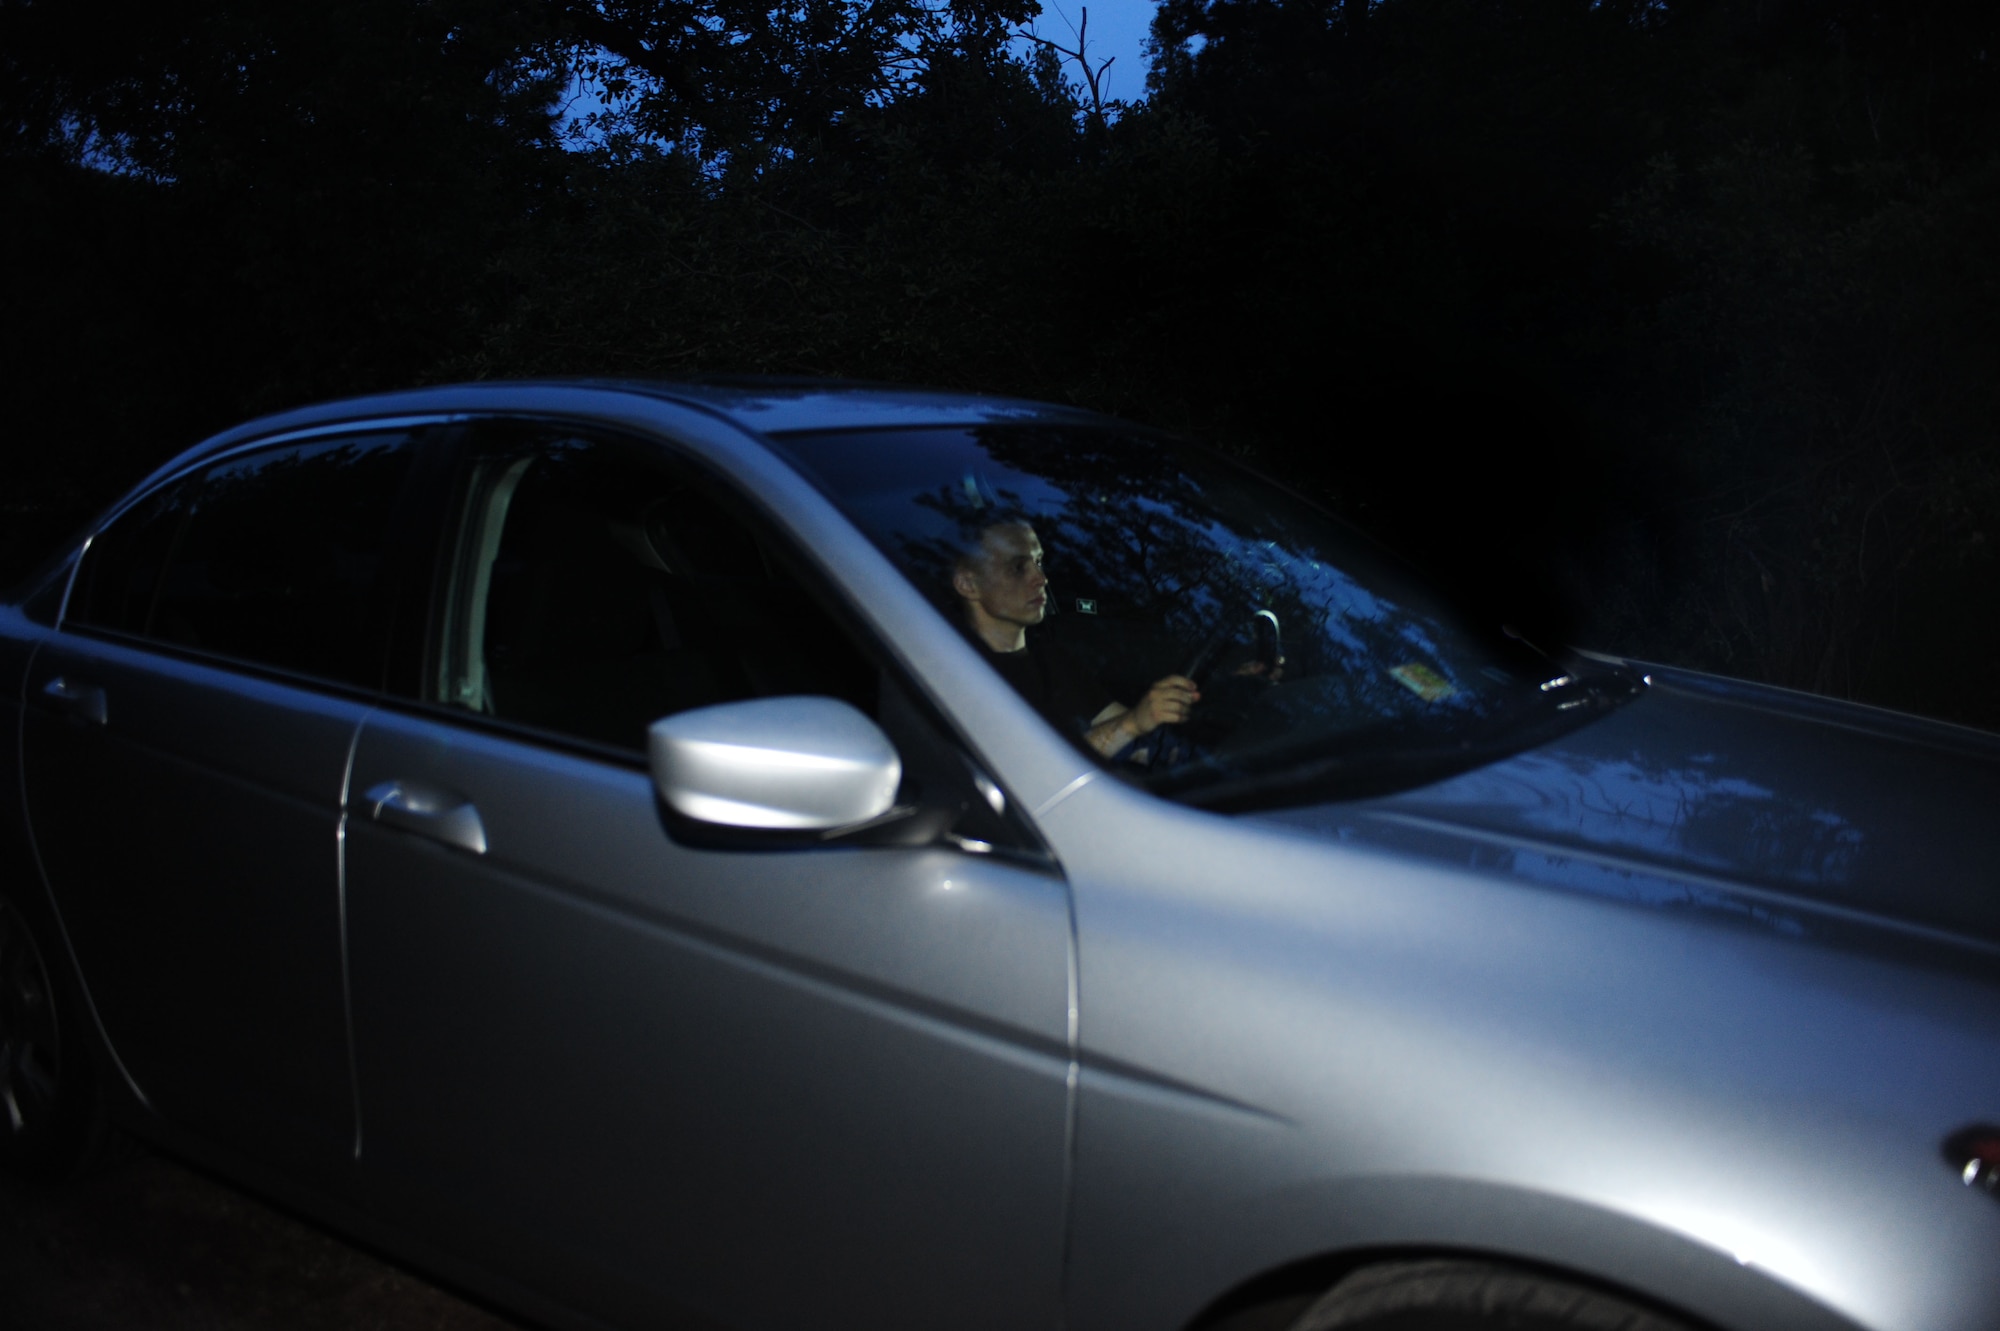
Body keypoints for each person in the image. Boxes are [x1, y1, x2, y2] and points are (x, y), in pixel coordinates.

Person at [951, 520, 1200, 760]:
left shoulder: (1053, 659)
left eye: (1038, 562)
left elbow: (1137, 742)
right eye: (1018, 567)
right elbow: (1030, 775)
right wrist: (1133, 723)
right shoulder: (959, 679)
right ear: (968, 584)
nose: (1041, 578)